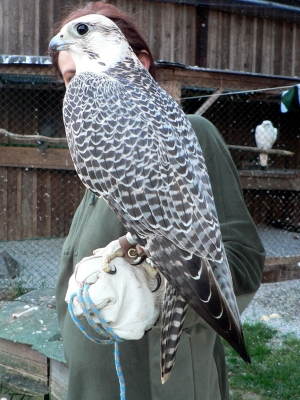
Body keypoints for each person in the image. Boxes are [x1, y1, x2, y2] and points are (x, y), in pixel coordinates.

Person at [51, 2, 265, 399]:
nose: (74, 83)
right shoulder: (122, 117)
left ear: (138, 58)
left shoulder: (186, 127)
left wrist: (158, 291)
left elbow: (239, 257)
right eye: (67, 76)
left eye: (81, 33)